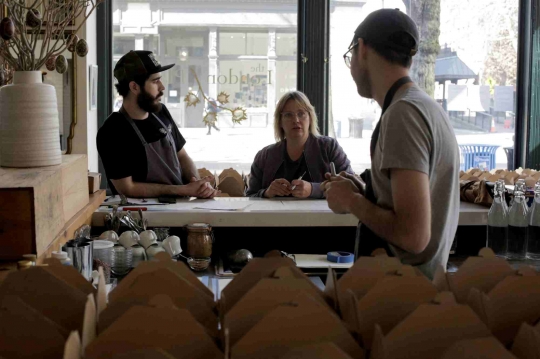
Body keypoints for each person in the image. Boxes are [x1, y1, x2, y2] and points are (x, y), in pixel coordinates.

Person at [323, 9, 460, 279]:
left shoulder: (403, 114)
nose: (351, 67)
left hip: (401, 302)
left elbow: (413, 235)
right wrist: (365, 193)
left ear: (362, 49)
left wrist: (351, 201)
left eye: (350, 56)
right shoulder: (425, 106)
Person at [97, 50, 219, 198]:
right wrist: (182, 190)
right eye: (155, 81)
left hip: (181, 206)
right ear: (134, 87)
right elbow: (127, 188)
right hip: (145, 215)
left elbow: (182, 156)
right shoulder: (112, 131)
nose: (162, 87)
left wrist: (197, 183)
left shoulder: (160, 112)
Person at [246, 91, 353, 198]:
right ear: (280, 122)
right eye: (288, 115)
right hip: (277, 215)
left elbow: (351, 187)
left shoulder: (329, 147)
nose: (296, 120)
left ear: (310, 118)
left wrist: (313, 189)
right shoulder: (264, 156)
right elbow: (250, 196)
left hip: (320, 215)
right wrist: (266, 193)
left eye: (301, 114)